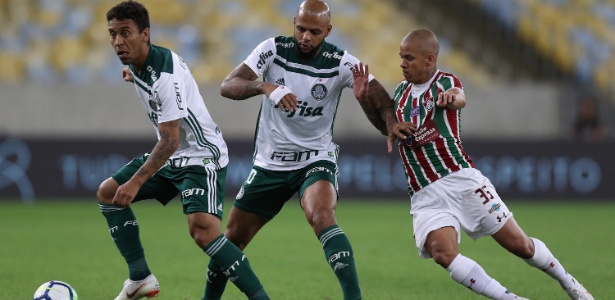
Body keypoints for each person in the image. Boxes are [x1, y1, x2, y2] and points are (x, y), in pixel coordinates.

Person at [354, 28, 594, 300]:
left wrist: (452, 100)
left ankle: (569, 283)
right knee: (442, 253)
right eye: (401, 57)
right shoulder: (401, 92)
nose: (402, 63)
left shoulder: (444, 83)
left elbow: (459, 97)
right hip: (424, 193)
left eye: (409, 58)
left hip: (460, 180)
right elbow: (389, 129)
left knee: (521, 246)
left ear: (429, 59)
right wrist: (364, 100)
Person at [202, 1, 396, 299]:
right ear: (294, 22)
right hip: (270, 163)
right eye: (301, 28)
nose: (306, 36)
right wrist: (265, 87)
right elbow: (228, 85)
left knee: (322, 216)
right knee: (231, 240)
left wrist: (390, 121)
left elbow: (377, 94)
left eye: (314, 32)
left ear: (328, 31)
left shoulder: (340, 62)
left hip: (314, 158)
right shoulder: (272, 49)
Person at [98, 2, 269, 299]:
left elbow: (169, 141)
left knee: (203, 231)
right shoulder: (139, 64)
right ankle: (139, 277)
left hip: (202, 154)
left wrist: (136, 181)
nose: (118, 42)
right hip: (173, 157)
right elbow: (167, 133)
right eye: (113, 34)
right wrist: (132, 75)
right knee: (107, 193)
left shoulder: (164, 75)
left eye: (125, 33)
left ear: (145, 34)